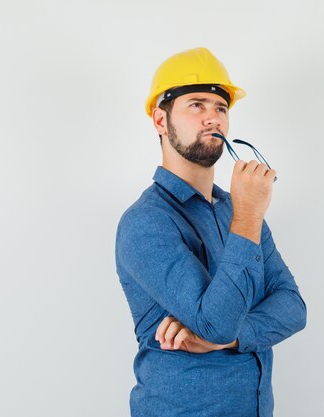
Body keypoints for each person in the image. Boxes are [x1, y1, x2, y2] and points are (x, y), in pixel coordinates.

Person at [115, 47, 307, 417]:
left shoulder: (237, 211)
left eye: (221, 108)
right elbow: (215, 322)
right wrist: (250, 214)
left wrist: (232, 337)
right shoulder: (146, 222)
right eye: (196, 105)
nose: (212, 118)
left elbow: (293, 308)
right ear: (160, 120)